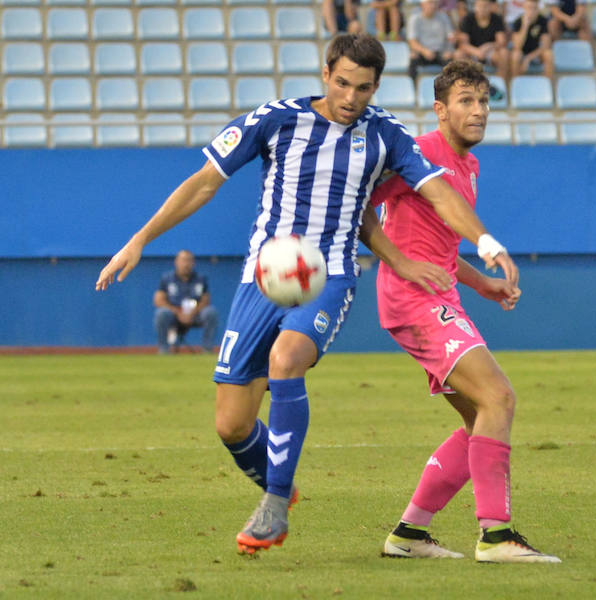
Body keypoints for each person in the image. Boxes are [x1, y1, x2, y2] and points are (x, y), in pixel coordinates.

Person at [95, 33, 516, 556]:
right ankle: (281, 483)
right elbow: (205, 181)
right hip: (263, 278)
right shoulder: (276, 120)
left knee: (286, 358)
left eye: (363, 88)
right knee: (231, 424)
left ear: (376, 86)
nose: (350, 97)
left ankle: (273, 507)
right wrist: (139, 240)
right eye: (342, 83)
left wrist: (487, 241)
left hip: (328, 275)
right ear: (325, 73)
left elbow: (436, 191)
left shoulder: (386, 134)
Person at [372, 60, 560, 563]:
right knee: (498, 396)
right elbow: (360, 208)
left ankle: (409, 533)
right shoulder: (419, 152)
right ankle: (496, 536)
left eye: (483, 102)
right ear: (440, 109)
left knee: (482, 417)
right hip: (412, 298)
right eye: (465, 101)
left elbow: (441, 248)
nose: (478, 112)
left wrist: (484, 287)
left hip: (440, 296)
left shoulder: (467, 166)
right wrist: (399, 262)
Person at [153, 249, 219, 354]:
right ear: (176, 262)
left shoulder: (201, 279)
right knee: (161, 314)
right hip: (174, 315)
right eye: (183, 260)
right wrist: (177, 312)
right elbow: (158, 300)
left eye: (189, 261)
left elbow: (206, 300)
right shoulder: (167, 279)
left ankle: (207, 349)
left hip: (195, 315)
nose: (186, 264)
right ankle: (164, 350)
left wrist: (192, 313)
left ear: (193, 263)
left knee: (210, 312)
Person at [455, 0, 510, 81]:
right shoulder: (467, 19)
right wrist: (477, 52)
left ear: (490, 7)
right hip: (472, 52)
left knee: (504, 53)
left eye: (485, 6)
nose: (482, 9)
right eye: (479, 6)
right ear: (475, 7)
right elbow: (463, 44)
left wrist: (489, 46)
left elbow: (501, 41)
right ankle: (463, 84)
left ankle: (500, 83)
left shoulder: (496, 19)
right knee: (458, 54)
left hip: (491, 52)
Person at [407, 0, 457, 80]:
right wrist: (424, 51)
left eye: (435, 3)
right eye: (430, 3)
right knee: (413, 57)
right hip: (422, 53)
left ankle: (448, 89)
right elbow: (412, 42)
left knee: (453, 62)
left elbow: (451, 37)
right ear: (422, 5)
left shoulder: (443, 17)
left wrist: (449, 50)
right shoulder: (415, 19)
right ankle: (412, 87)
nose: (433, 6)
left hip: (440, 52)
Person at [510, 0, 554, 78]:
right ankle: (516, 84)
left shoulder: (542, 20)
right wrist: (525, 26)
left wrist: (528, 58)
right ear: (524, 8)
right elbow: (517, 46)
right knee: (515, 55)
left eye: (534, 8)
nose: (531, 11)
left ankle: (548, 85)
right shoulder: (518, 22)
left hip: (536, 54)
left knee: (549, 54)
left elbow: (546, 45)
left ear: (538, 9)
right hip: (522, 54)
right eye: (529, 8)